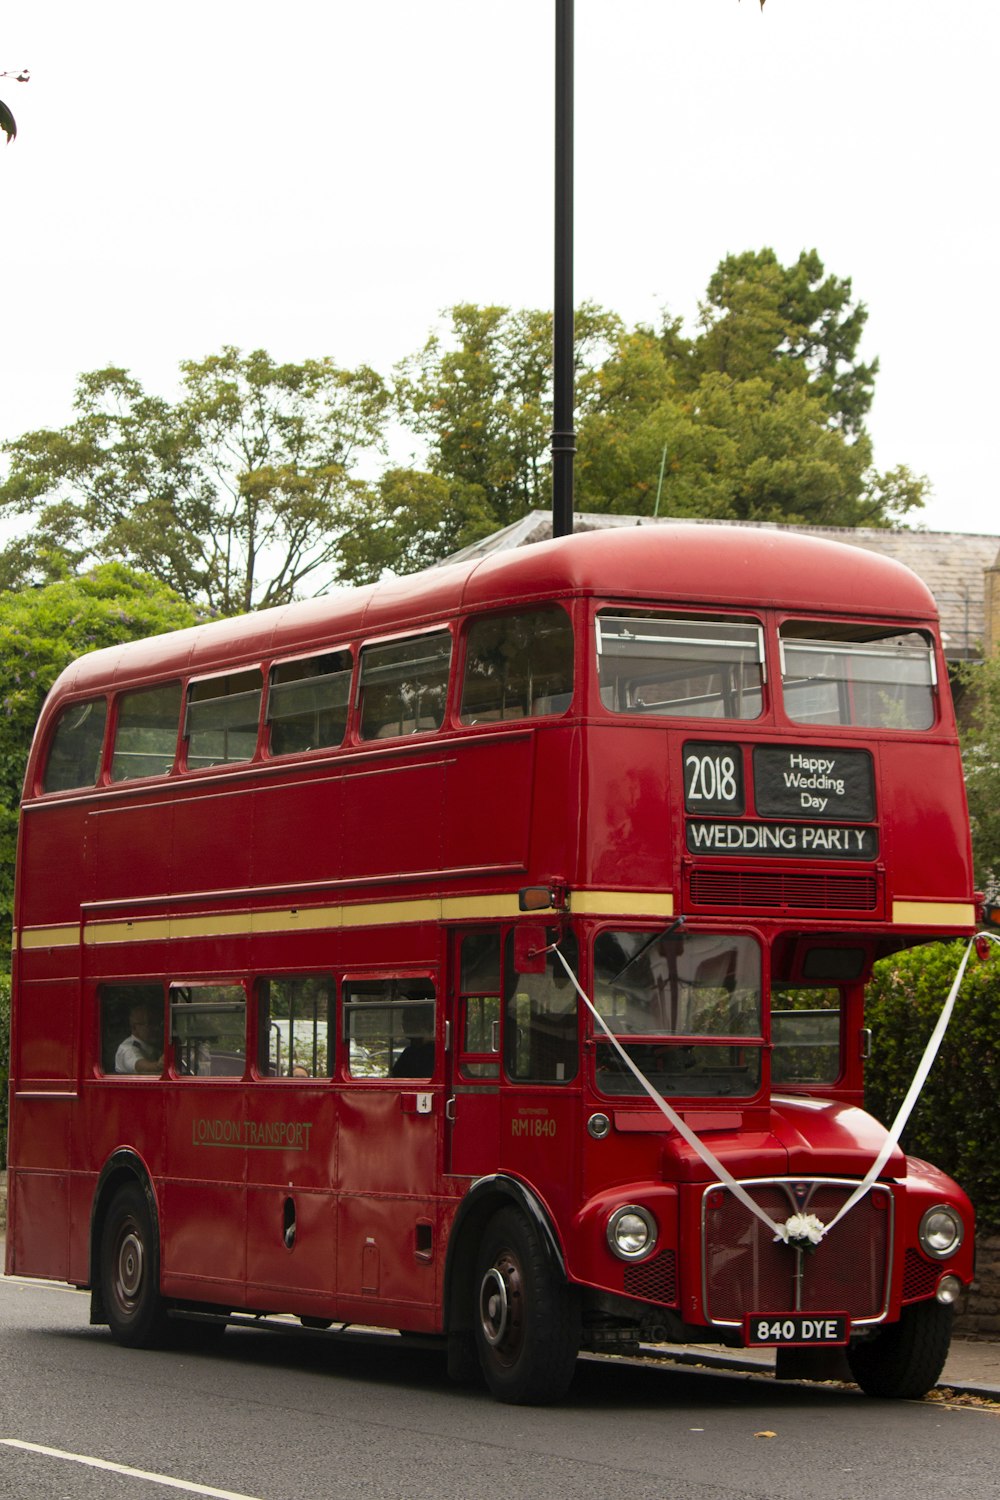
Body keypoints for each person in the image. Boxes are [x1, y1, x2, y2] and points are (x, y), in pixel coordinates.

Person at [115, 1003, 164, 1075]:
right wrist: (158, 1066)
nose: (156, 1028)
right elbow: (140, 1066)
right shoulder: (127, 1048)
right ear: (135, 1028)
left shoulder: (152, 1046)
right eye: (150, 1024)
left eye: (158, 1023)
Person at [390, 1003, 435, 1078]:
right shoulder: (409, 1052)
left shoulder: (432, 1053)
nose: (403, 1025)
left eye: (408, 1020)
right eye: (404, 1020)